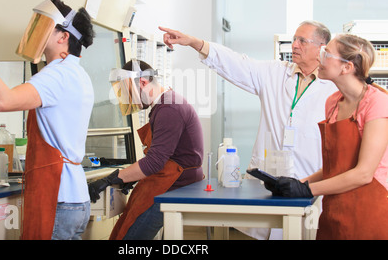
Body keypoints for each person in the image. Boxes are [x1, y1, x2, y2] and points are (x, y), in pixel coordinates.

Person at [160, 21, 337, 240]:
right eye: (294, 39)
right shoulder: (275, 73)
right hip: (266, 184)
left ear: (322, 47)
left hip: (306, 183)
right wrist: (195, 43)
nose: (294, 45)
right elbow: (236, 63)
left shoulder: (334, 87)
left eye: (302, 41)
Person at [0, 0, 95, 240]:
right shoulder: (76, 74)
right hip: (75, 199)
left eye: (44, 26)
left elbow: (2, 100)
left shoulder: (57, 75)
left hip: (56, 197)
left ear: (63, 37)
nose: (35, 32)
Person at [265, 34, 388, 240]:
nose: (319, 58)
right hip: (334, 209)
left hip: (369, 210)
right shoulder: (333, 102)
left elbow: (363, 174)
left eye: (325, 54)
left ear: (346, 67)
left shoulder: (377, 103)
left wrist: (306, 189)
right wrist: (292, 183)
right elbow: (335, 167)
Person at [89, 59, 204, 240]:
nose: (127, 99)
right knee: (123, 227)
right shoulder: (165, 103)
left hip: (173, 185)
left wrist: (114, 177)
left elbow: (154, 162)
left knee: (129, 238)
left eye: (128, 93)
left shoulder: (169, 108)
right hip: (166, 180)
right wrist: (131, 176)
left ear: (142, 83)